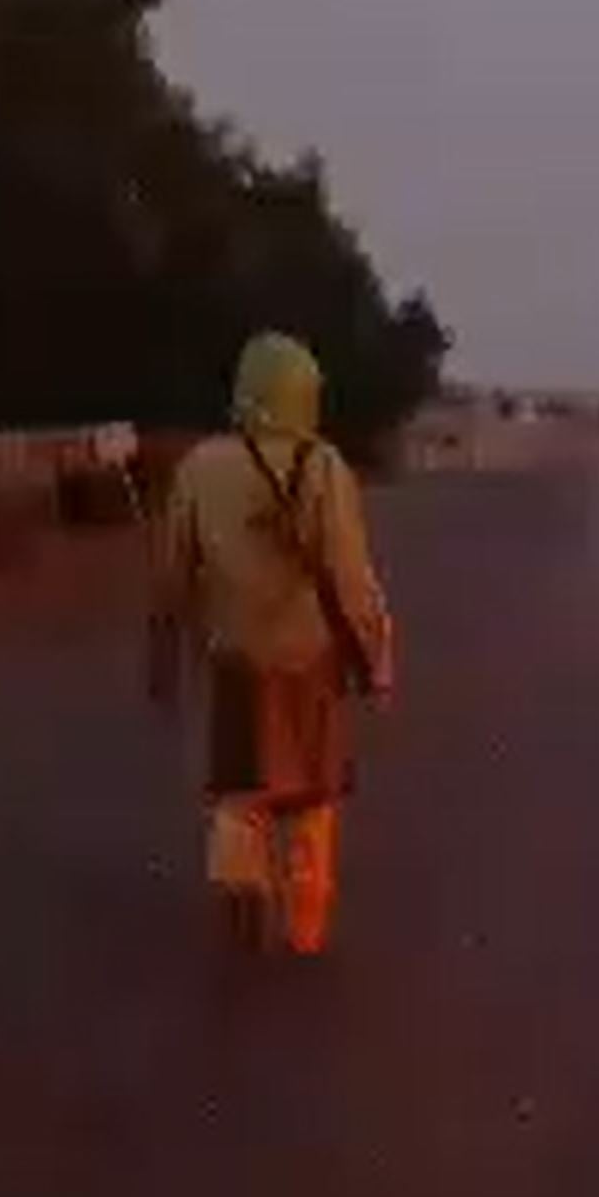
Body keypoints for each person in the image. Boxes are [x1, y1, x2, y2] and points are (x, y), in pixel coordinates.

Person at [147, 333, 397, 957]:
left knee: (239, 785)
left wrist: (164, 648)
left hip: (233, 650)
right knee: (315, 791)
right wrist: (377, 658)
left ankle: (240, 874)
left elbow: (172, 571)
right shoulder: (323, 467)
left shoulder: (201, 467)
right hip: (311, 653)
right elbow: (349, 575)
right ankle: (306, 915)